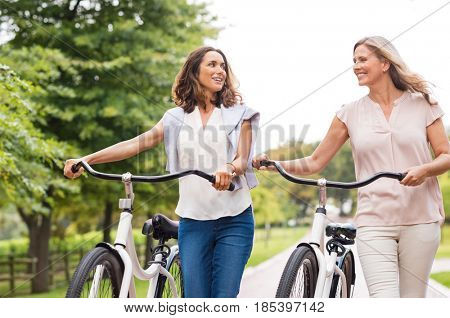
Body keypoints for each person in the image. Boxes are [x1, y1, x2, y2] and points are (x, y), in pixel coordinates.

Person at [253, 36, 450, 297]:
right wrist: (275, 164)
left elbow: (445, 155)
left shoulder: (423, 104)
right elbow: (315, 161)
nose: (356, 65)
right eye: (354, 61)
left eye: (363, 59)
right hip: (374, 220)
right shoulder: (349, 113)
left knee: (412, 301)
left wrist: (423, 170)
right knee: (383, 300)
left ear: (385, 63)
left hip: (421, 219)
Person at [64, 46, 260, 298]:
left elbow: (243, 159)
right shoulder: (175, 118)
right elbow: (137, 143)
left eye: (223, 66)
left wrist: (229, 168)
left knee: (223, 299)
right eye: (212, 64)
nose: (220, 70)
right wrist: (87, 158)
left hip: (235, 220)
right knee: (195, 301)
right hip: (193, 221)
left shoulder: (239, 114)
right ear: (194, 70)